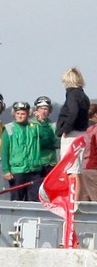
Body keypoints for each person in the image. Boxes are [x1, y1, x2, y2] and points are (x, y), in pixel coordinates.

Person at [56, 67, 90, 200]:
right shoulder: (83, 95)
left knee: (71, 169)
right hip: (81, 133)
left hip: (73, 135)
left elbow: (73, 111)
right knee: (77, 170)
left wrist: (65, 129)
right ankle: (76, 199)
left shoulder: (72, 94)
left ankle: (72, 200)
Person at [0, 102, 45, 202]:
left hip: (34, 170)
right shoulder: (9, 128)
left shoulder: (34, 127)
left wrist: (41, 122)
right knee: (17, 199)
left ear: (28, 114)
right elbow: (4, 151)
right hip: (17, 170)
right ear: (14, 114)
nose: (20, 116)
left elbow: (44, 137)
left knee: (35, 199)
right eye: (18, 113)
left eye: (23, 114)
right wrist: (6, 170)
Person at [31, 96, 58, 178]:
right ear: (36, 110)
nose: (43, 111)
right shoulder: (31, 124)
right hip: (37, 162)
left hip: (51, 162)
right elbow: (38, 142)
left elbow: (55, 141)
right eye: (41, 109)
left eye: (46, 109)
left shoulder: (52, 125)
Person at [79, 103, 97, 201]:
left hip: (84, 166)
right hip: (94, 167)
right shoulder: (95, 129)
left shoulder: (86, 129)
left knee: (85, 200)